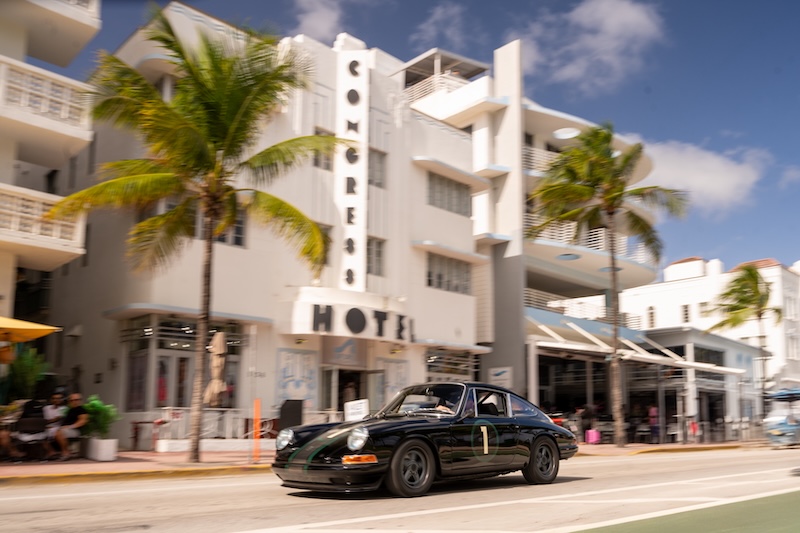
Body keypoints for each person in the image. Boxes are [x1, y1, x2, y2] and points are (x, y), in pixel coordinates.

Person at [49, 394, 89, 460]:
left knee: (59, 433)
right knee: (47, 433)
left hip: (75, 431)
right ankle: (52, 452)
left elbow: (82, 421)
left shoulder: (81, 410)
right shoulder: (71, 410)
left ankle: (66, 453)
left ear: (80, 401)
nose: (74, 402)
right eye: (71, 400)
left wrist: (70, 427)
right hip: (66, 429)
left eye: (76, 400)